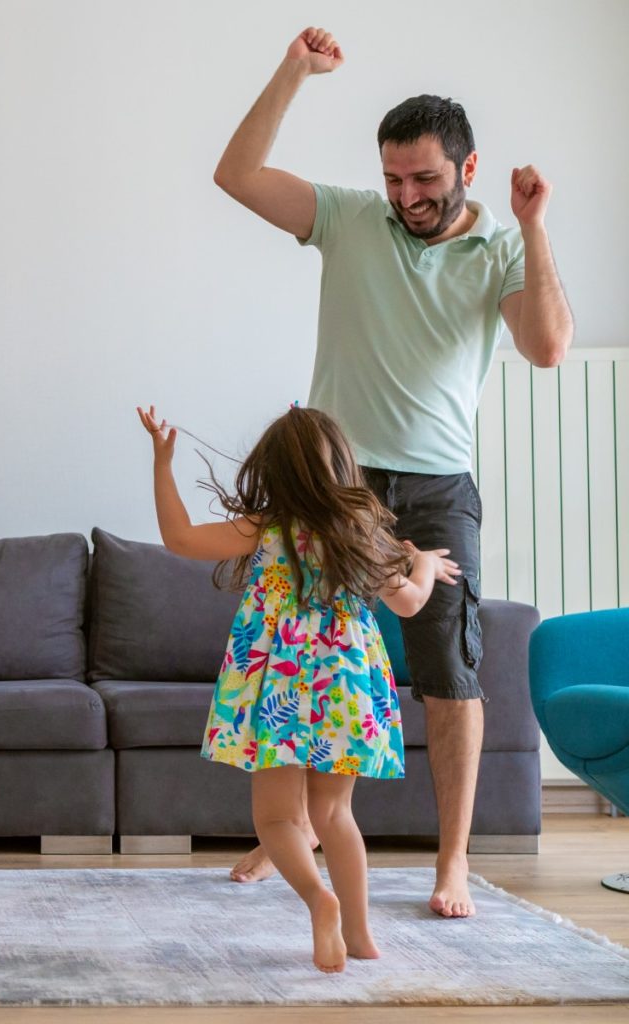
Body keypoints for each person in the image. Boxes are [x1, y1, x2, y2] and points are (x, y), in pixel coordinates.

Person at [212, 26, 573, 917]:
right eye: (395, 180)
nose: (408, 196)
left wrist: (532, 227)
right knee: (307, 657)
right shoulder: (347, 218)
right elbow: (238, 176)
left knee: (448, 673)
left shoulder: (498, 253)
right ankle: (283, 831)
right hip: (340, 483)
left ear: (467, 170)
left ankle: (452, 861)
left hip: (439, 486)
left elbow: (549, 346)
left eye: (426, 180)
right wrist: (295, 71)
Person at [137, 404, 459, 972]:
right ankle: (359, 935)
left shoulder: (267, 527)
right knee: (335, 815)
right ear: (341, 466)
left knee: (279, 819)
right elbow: (410, 601)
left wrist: (163, 462)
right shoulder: (361, 531)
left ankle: (319, 899)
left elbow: (180, 538)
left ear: (275, 471)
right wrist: (424, 563)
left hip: (274, 681)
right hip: (343, 682)